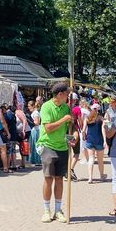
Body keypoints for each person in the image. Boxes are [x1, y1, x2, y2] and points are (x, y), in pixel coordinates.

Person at [37, 82, 72, 223]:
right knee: (48, 178)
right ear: (60, 94)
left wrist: (72, 137)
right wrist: (64, 119)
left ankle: (58, 210)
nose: (68, 96)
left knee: (59, 178)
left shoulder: (66, 108)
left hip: (62, 147)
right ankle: (46, 210)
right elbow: (48, 128)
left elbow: (70, 127)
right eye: (67, 94)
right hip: (48, 146)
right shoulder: (46, 107)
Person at [83, 103, 106, 182]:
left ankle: (90, 178)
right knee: (100, 160)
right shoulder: (100, 118)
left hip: (90, 140)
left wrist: (83, 136)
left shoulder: (87, 118)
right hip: (99, 140)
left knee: (91, 159)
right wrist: (105, 141)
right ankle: (101, 176)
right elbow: (103, 130)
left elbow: (83, 129)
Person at [68, 99, 83, 181]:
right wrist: (82, 130)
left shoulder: (64, 107)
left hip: (65, 131)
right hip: (74, 130)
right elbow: (80, 121)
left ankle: (67, 170)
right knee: (76, 152)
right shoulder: (77, 109)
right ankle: (71, 169)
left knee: (68, 151)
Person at [28, 101, 41, 166]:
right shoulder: (34, 112)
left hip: (36, 130)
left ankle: (37, 160)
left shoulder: (35, 113)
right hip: (35, 129)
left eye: (29, 106)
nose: (28, 108)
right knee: (33, 144)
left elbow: (37, 122)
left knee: (35, 144)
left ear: (33, 106)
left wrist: (30, 121)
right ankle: (34, 160)